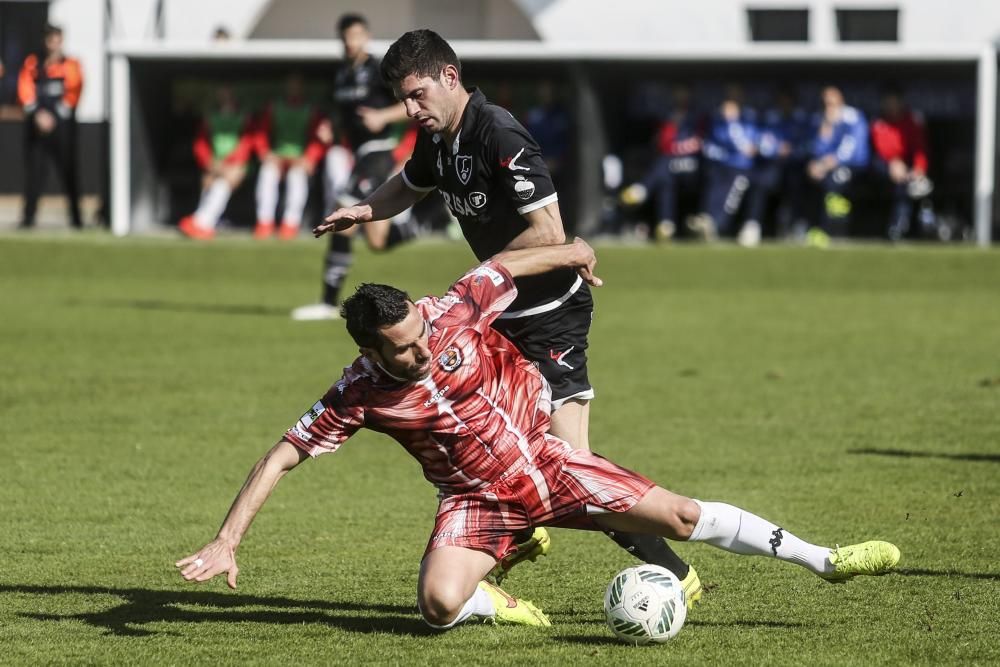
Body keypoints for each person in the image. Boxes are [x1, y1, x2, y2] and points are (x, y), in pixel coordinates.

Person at [176, 239, 901, 631]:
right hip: (474, 501)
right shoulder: (357, 392)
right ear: (371, 349)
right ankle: (506, 601)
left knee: (680, 517)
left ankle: (824, 558)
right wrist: (228, 537)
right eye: (400, 346)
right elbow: (284, 451)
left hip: (546, 463)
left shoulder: (448, 313)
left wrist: (573, 248)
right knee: (435, 606)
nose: (419, 348)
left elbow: (501, 266)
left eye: (418, 332)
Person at [313, 29, 702, 604]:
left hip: (548, 315)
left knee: (574, 463)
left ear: (450, 77)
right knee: (483, 439)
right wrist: (367, 209)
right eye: (402, 98)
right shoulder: (439, 136)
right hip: (500, 312)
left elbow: (547, 231)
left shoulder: (497, 130)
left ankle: (674, 572)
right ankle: (515, 530)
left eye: (417, 94)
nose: (409, 108)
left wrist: (481, 279)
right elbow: (412, 183)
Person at [291, 14, 414, 321]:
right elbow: (344, 115)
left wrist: (383, 116)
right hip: (359, 154)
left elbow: (412, 101)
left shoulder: (379, 71)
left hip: (378, 153)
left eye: (357, 36)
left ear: (367, 37)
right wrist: (331, 130)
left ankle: (328, 302)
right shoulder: (342, 75)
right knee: (376, 241)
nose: (351, 42)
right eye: (346, 37)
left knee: (342, 210)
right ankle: (415, 225)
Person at [17, 23, 84, 229]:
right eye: (50, 40)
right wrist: (37, 114)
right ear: (45, 42)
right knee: (35, 173)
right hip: (37, 127)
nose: (54, 44)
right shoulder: (33, 63)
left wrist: (55, 116)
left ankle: (76, 218)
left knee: (69, 172)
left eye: (57, 40)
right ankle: (28, 219)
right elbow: (25, 88)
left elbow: (75, 89)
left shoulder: (71, 64)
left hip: (62, 127)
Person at [620, 84, 704, 242]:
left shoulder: (697, 118)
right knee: (666, 179)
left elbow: (697, 144)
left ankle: (642, 189)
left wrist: (676, 149)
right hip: (672, 167)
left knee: (665, 164)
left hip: (694, 167)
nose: (681, 98)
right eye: (678, 95)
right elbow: (663, 144)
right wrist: (672, 129)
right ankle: (666, 225)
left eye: (684, 95)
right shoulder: (669, 118)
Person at [252, 72, 326, 240]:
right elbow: (260, 133)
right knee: (267, 173)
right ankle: (264, 222)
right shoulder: (274, 106)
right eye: (291, 85)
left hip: (300, 159)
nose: (294, 89)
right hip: (277, 157)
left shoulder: (311, 110)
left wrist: (309, 158)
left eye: (297, 86)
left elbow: (319, 139)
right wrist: (265, 153)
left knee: (296, 177)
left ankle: (290, 224)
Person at [177, 85, 254, 240]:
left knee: (223, 183)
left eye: (228, 94)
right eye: (221, 94)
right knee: (208, 181)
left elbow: (248, 142)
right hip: (215, 163)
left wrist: (229, 164)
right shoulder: (211, 117)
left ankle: (202, 223)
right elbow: (201, 143)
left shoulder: (244, 117)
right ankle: (202, 223)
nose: (225, 98)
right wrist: (209, 162)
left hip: (238, 164)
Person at [742, 87, 810, 246]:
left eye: (787, 101)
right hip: (772, 164)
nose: (784, 104)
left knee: (798, 183)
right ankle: (752, 225)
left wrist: (792, 150)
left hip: (795, 166)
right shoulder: (769, 119)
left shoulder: (802, 120)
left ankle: (797, 226)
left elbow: (808, 144)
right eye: (781, 101)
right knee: (760, 181)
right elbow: (761, 142)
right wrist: (776, 149)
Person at [689, 85, 757, 241]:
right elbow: (711, 144)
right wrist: (718, 153)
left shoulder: (748, 117)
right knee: (713, 190)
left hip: (741, 167)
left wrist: (732, 122)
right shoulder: (718, 120)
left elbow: (746, 148)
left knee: (730, 200)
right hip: (722, 165)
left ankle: (717, 226)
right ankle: (706, 221)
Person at [805, 86, 869, 247]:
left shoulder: (853, 117)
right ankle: (813, 228)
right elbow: (817, 150)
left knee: (835, 181)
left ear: (841, 101)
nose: (829, 107)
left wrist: (825, 164)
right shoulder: (821, 120)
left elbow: (849, 149)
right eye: (826, 103)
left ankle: (832, 231)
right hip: (828, 167)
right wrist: (825, 130)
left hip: (854, 166)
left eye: (832, 103)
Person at [870, 86, 933, 241]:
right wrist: (893, 162)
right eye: (887, 102)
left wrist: (918, 169)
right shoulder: (878, 122)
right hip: (883, 165)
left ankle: (903, 228)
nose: (891, 106)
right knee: (900, 182)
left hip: (907, 168)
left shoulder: (912, 120)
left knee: (911, 185)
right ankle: (896, 228)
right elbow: (881, 149)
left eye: (894, 102)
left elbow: (920, 150)